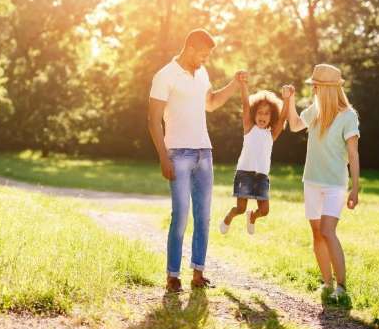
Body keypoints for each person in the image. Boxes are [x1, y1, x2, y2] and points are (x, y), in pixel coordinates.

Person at [147, 28, 246, 293]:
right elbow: (153, 119)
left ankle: (198, 273)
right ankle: (173, 276)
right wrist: (163, 156)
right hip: (178, 154)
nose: (205, 60)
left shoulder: (201, 73)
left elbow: (211, 103)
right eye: (202, 54)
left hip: (205, 152)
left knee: (203, 217)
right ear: (190, 48)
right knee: (180, 216)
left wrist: (235, 85)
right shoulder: (165, 75)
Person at [285, 64, 360, 301]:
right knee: (317, 233)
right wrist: (290, 100)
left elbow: (353, 154)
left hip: (335, 184)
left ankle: (341, 286)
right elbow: (295, 125)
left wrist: (355, 187)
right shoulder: (314, 111)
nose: (314, 89)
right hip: (312, 181)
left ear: (327, 88)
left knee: (328, 231)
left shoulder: (348, 116)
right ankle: (326, 283)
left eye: (316, 86)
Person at [219, 80, 290, 235]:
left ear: (272, 117)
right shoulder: (249, 127)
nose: (262, 116)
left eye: (266, 113)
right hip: (244, 173)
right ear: (254, 114)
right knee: (240, 208)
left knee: (264, 211)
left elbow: (283, 117)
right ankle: (229, 216)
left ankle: (252, 216)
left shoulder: (272, 134)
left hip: (262, 177)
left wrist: (287, 99)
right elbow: (245, 104)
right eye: (259, 112)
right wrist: (244, 85)